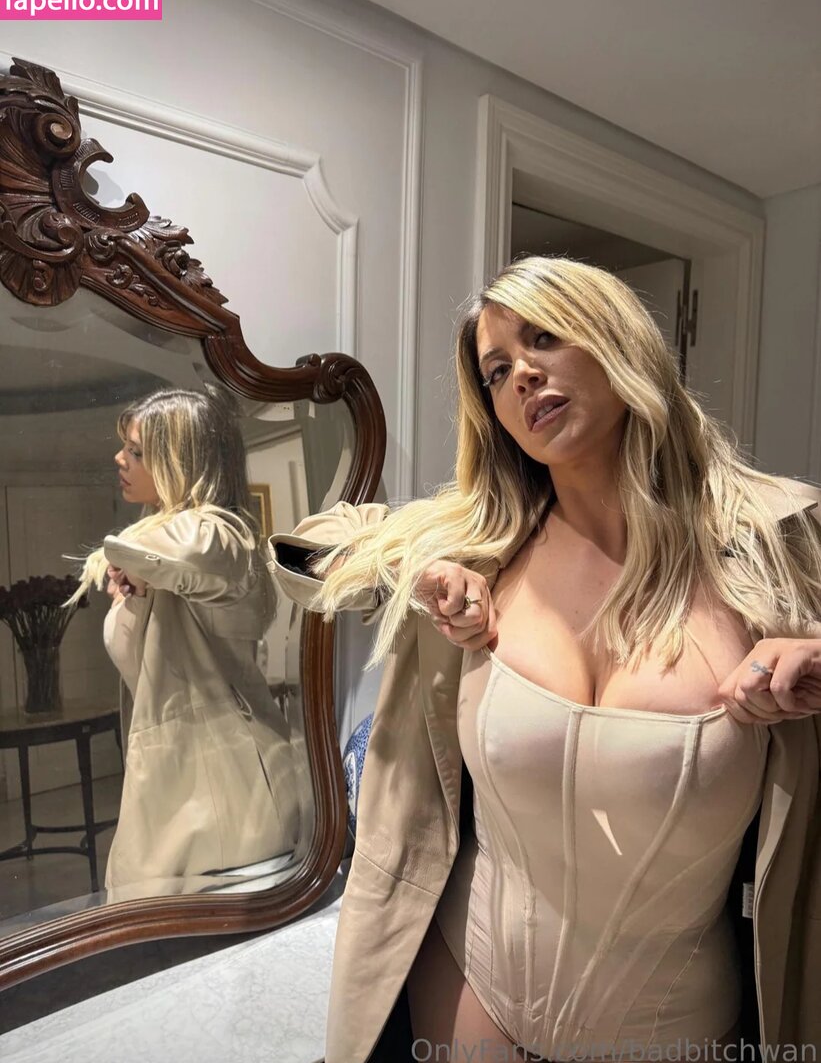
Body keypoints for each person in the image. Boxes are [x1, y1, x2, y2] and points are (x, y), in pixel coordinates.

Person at [268, 257, 821, 1063]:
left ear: (615, 338)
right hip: (467, 985)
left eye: (544, 338)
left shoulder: (778, 540)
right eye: (496, 371)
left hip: (681, 1023)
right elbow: (303, 552)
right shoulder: (481, 541)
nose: (521, 374)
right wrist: (416, 571)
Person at [70, 384, 300, 890]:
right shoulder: (160, 548)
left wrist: (128, 560)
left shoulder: (224, 534)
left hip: (228, 809)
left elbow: (195, 550)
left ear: (181, 463)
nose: (119, 459)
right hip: (181, 794)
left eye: (136, 451)